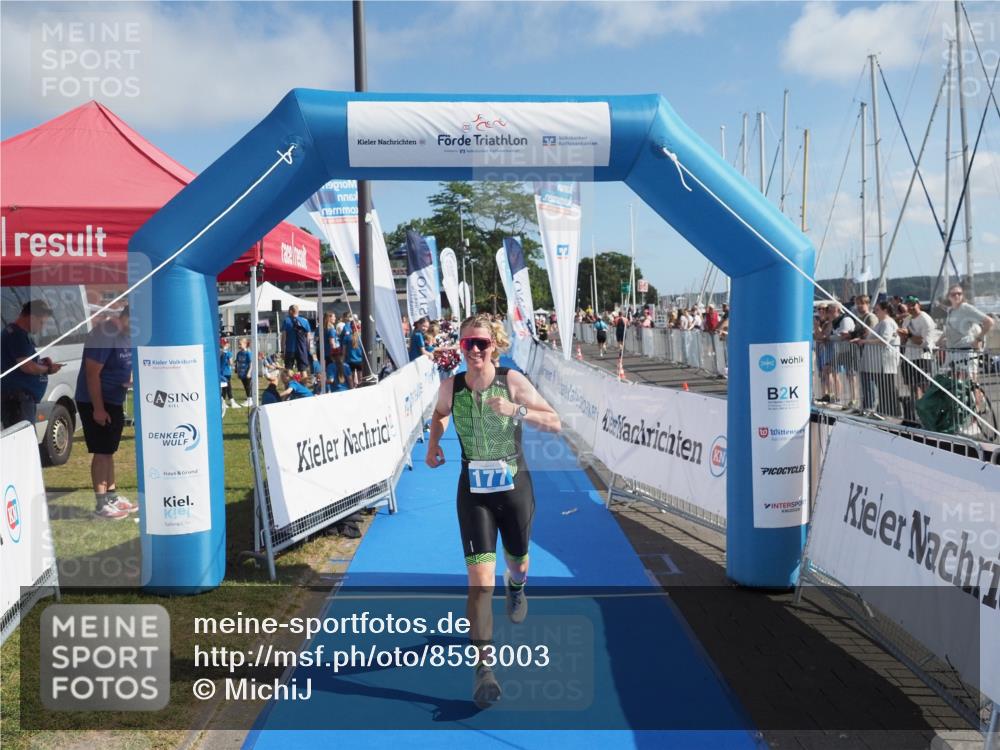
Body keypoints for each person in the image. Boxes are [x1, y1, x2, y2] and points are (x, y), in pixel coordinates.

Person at [425, 314, 561, 709]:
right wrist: (434, 444)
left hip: (514, 490)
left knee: (517, 563)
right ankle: (484, 668)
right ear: (460, 347)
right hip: (474, 494)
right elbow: (439, 414)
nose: (475, 350)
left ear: (494, 345)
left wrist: (516, 411)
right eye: (468, 343)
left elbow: (555, 422)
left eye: (482, 343)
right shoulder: (451, 386)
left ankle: (516, 587)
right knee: (480, 583)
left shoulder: (511, 382)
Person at [75, 306, 138, 520]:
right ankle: (101, 505)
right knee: (101, 452)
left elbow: (120, 366)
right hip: (95, 401)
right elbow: (92, 374)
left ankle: (111, 497)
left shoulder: (126, 335)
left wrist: (128, 381)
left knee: (109, 451)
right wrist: (99, 409)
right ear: (127, 317)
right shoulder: (104, 334)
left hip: (114, 399)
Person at [1, 300, 64, 429]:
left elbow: (25, 362)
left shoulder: (17, 333)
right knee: (23, 438)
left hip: (20, 401)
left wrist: (41, 363)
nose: (42, 327)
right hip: (18, 402)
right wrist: (48, 369)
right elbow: (27, 366)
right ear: (31, 317)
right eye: (41, 322)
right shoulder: (16, 335)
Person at [942, 284, 993, 380]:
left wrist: (978, 339)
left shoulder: (966, 308)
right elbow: (948, 330)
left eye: (959, 293)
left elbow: (989, 322)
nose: (957, 296)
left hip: (966, 351)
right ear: (948, 296)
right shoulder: (951, 311)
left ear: (962, 295)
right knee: (955, 384)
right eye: (953, 294)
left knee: (971, 383)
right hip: (953, 352)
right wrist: (939, 341)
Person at [898, 296, 936, 419]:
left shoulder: (925, 319)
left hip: (923, 357)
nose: (911, 307)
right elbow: (904, 340)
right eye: (908, 305)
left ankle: (930, 413)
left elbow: (924, 342)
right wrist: (902, 336)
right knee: (913, 387)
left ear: (918, 304)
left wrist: (908, 335)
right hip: (909, 357)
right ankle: (918, 414)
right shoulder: (907, 319)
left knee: (925, 388)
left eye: (913, 304)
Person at [281, 305, 312, 372]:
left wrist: (282, 351)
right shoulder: (305, 321)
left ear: (290, 311)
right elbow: (308, 338)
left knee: (288, 370)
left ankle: (291, 379)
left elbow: (284, 337)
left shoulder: (286, 321)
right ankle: (303, 379)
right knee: (303, 371)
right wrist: (308, 350)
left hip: (290, 350)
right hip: (302, 349)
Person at [341, 320, 365, 387]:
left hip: (350, 360)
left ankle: (353, 388)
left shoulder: (347, 337)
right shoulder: (362, 337)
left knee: (351, 378)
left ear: (350, 327)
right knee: (360, 378)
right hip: (360, 360)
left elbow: (344, 351)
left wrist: (343, 360)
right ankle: (360, 388)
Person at [219, 338, 240, 410]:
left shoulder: (219, 352)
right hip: (227, 373)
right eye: (226, 343)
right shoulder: (228, 353)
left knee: (224, 388)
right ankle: (232, 402)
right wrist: (234, 363)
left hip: (221, 373)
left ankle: (223, 402)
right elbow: (230, 363)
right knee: (228, 388)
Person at [235, 338, 254, 406]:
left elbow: (251, 363)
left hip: (247, 373)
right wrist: (237, 371)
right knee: (245, 386)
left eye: (240, 344)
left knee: (248, 386)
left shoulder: (248, 353)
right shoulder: (239, 353)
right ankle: (248, 399)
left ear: (245, 344)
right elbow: (237, 362)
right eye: (238, 344)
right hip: (241, 373)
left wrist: (249, 372)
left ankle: (250, 400)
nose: (239, 346)